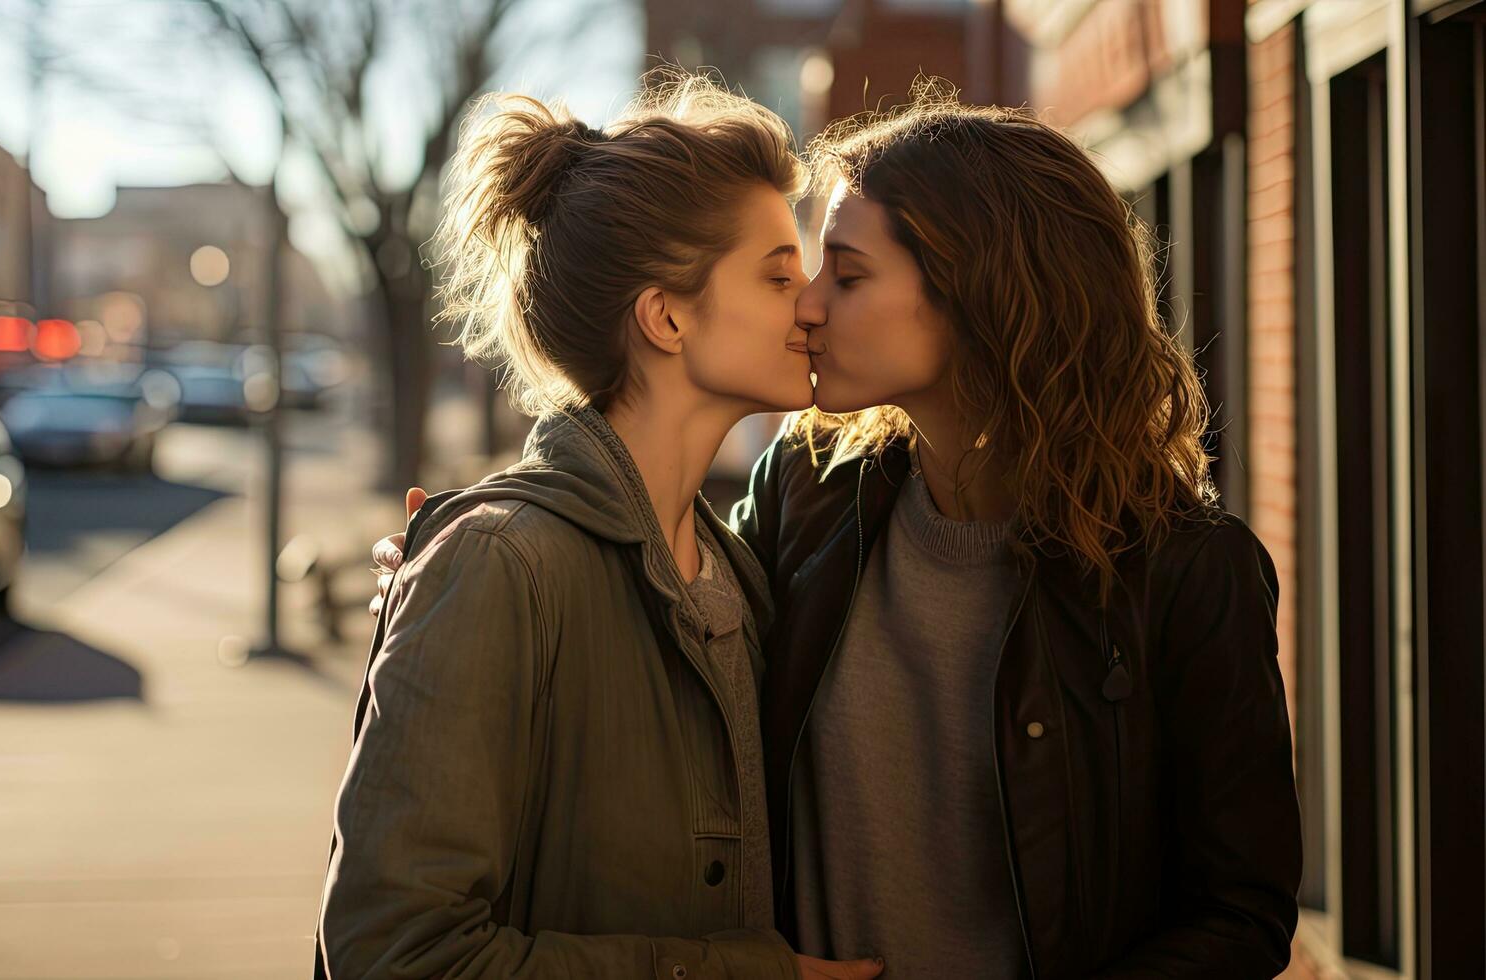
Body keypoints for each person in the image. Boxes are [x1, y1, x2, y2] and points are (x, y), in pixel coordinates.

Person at [374, 87, 1301, 979]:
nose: (809, 305)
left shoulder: (1186, 572)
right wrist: (447, 588)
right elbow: (636, 597)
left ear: (981, 293)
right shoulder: (812, 494)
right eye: (792, 274)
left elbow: (1240, 913)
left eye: (844, 275)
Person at [319, 71, 884, 980]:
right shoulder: (500, 565)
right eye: (779, 273)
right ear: (664, 315)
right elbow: (392, 954)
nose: (810, 303)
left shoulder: (736, 573)